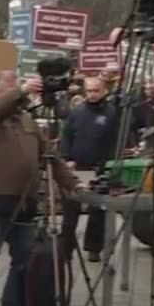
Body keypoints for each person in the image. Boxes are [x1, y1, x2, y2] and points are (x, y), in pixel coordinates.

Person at [0, 71, 79, 306]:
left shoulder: (27, 121)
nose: (16, 95)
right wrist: (19, 90)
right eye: (9, 90)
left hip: (23, 203)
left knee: (23, 261)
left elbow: (50, 156)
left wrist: (73, 184)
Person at [59, 76, 119, 262]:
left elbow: (116, 140)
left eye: (96, 91)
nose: (92, 94)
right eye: (89, 91)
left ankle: (94, 248)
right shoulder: (76, 113)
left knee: (97, 211)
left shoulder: (113, 113)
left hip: (100, 168)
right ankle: (65, 249)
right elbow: (67, 136)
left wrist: (109, 165)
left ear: (104, 91)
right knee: (70, 210)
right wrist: (67, 158)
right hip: (77, 167)